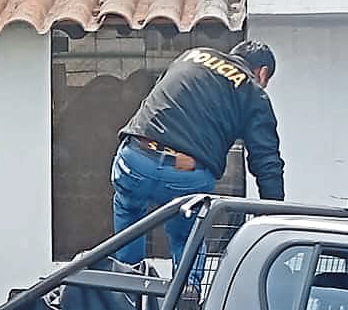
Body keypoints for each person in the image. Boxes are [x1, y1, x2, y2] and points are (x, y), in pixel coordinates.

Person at [112, 41, 285, 276]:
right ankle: (188, 289)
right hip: (184, 174)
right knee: (187, 234)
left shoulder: (191, 56)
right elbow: (267, 163)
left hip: (135, 158)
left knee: (129, 213)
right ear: (262, 73)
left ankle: (126, 282)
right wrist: (272, 220)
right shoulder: (252, 91)